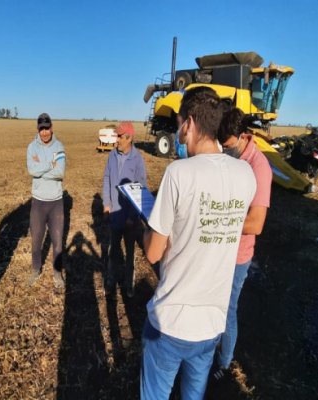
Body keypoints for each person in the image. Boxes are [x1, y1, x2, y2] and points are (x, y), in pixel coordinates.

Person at [140, 87, 256, 399]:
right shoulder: (246, 174)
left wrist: (147, 227)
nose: (178, 131)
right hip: (211, 324)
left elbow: (153, 251)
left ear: (189, 123)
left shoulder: (178, 173)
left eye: (178, 123)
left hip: (171, 323)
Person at [212, 108, 273, 380]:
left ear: (243, 136)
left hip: (237, 255)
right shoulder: (230, 159)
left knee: (228, 310)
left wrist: (215, 221)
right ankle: (212, 349)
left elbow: (255, 223)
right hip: (219, 248)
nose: (224, 152)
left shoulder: (259, 167)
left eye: (227, 147)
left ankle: (224, 364)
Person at [102, 121, 147, 297]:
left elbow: (141, 189)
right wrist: (107, 203)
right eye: (117, 136)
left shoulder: (138, 160)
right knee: (113, 251)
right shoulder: (112, 155)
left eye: (120, 136)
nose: (117, 139)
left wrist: (132, 215)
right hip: (113, 214)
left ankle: (129, 284)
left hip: (129, 218)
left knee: (129, 253)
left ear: (129, 138)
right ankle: (110, 281)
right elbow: (106, 178)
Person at [26, 113, 66, 289]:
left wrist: (41, 166)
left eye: (47, 128)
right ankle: (36, 270)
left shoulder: (59, 147)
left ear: (51, 127)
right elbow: (32, 171)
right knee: (36, 241)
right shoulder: (31, 147)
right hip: (38, 203)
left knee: (57, 242)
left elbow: (60, 173)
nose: (44, 132)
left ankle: (57, 274)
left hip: (56, 203)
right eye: (41, 129)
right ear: (38, 129)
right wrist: (50, 164)